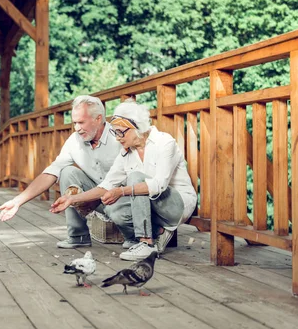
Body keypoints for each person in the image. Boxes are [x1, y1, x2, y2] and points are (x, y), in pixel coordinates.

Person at [50, 99, 197, 261]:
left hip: (175, 206)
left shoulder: (164, 142)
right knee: (113, 210)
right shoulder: (127, 151)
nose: (118, 138)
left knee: (135, 178)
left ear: (137, 127)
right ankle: (157, 233)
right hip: (149, 209)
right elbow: (107, 185)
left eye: (121, 132)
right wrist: (72, 199)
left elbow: (158, 185)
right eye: (115, 132)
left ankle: (146, 243)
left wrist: (121, 191)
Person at [0, 95, 121, 248]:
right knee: (67, 171)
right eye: (75, 122)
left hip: (121, 199)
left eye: (81, 122)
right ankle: (78, 236)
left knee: (122, 216)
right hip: (96, 199)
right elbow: (51, 173)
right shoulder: (74, 140)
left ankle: (138, 239)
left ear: (98, 118)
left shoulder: (120, 136)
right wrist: (17, 202)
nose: (77, 128)